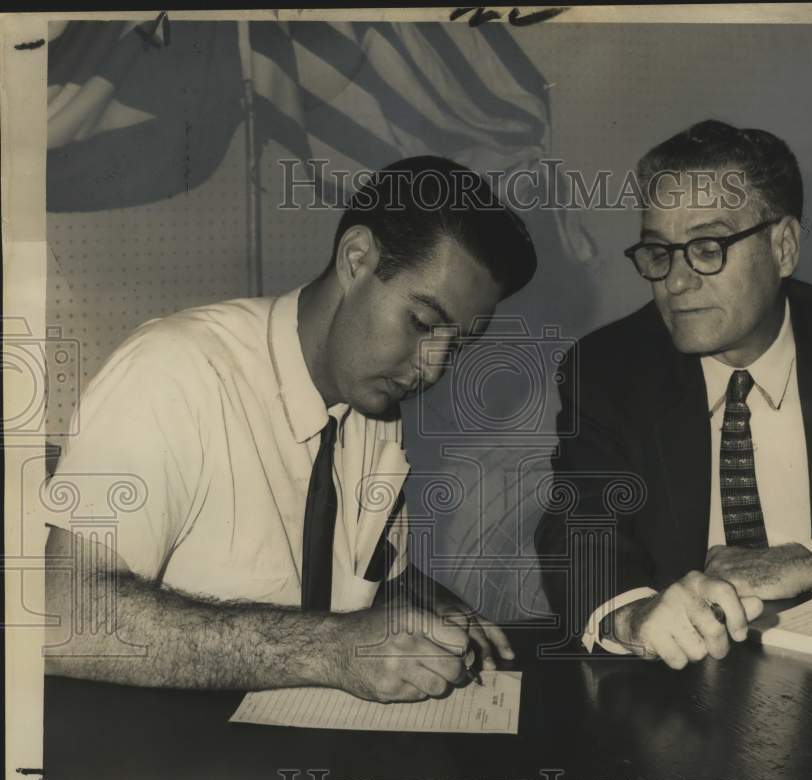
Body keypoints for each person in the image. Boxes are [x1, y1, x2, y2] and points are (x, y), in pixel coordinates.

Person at [44, 156, 537, 701]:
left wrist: (429, 604)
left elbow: (363, 575)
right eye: (422, 323)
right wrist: (332, 649)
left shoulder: (374, 408)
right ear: (357, 259)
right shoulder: (174, 371)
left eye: (459, 343)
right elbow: (63, 616)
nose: (434, 366)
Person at [535, 120, 812, 669]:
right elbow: (579, 529)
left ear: (784, 247)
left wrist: (810, 562)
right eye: (659, 252)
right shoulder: (609, 368)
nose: (675, 283)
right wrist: (634, 617)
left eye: (707, 247)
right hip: (685, 687)